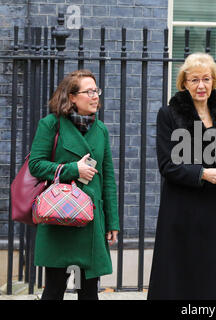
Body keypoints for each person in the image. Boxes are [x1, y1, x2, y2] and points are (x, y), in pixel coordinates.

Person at [148, 52, 216, 300]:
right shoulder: (169, 114)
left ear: (214, 81)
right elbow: (167, 165)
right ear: (184, 82)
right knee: (184, 275)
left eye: (206, 79)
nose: (201, 86)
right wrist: (203, 173)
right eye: (194, 80)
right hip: (184, 209)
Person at [28, 69, 120, 300]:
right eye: (88, 91)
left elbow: (107, 178)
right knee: (54, 290)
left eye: (96, 90)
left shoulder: (101, 130)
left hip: (91, 220)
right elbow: (36, 165)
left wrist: (113, 222)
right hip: (59, 217)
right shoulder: (51, 124)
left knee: (89, 292)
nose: (95, 96)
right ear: (72, 97)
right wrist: (72, 169)